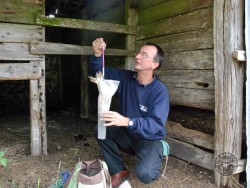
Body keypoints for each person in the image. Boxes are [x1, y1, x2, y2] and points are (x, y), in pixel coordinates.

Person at [89, 38, 169, 187]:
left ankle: (158, 154)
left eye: (144, 55)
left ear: (155, 64)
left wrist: (127, 121)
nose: (137, 56)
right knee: (101, 129)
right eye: (138, 53)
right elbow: (99, 75)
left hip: (149, 140)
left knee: (145, 175)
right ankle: (118, 170)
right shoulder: (125, 78)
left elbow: (156, 124)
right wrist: (98, 55)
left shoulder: (160, 90)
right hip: (128, 134)